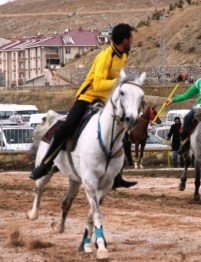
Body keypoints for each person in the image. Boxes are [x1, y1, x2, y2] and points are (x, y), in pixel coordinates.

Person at [30, 23, 137, 189]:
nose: (132, 40)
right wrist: (119, 82)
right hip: (89, 96)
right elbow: (100, 84)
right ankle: (44, 164)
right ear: (125, 40)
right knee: (67, 127)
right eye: (131, 37)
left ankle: (117, 175)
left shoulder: (123, 55)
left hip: (107, 100)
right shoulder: (105, 56)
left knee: (121, 130)